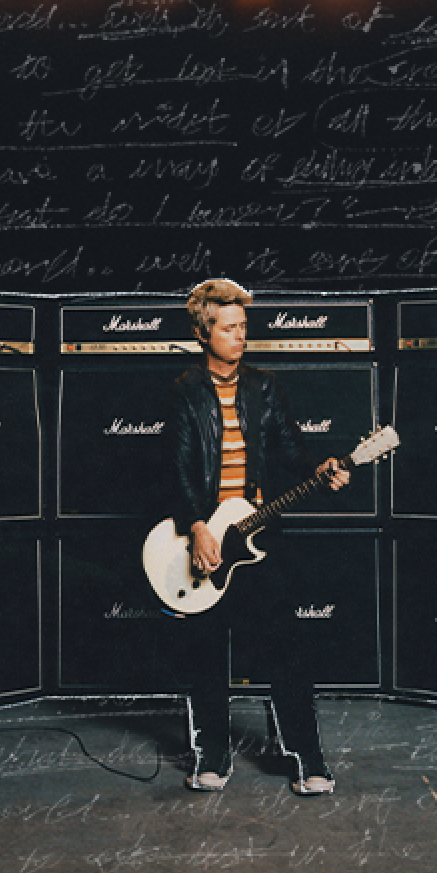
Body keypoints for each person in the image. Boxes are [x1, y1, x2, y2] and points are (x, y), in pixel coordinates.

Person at [167, 279, 349, 795]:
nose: (241, 336)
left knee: (285, 647)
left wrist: (325, 466)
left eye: (244, 327)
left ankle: (307, 760)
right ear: (204, 333)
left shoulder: (264, 387)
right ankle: (211, 758)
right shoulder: (184, 390)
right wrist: (198, 527)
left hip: (257, 538)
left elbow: (291, 452)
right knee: (206, 651)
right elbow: (175, 467)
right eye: (229, 328)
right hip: (202, 542)